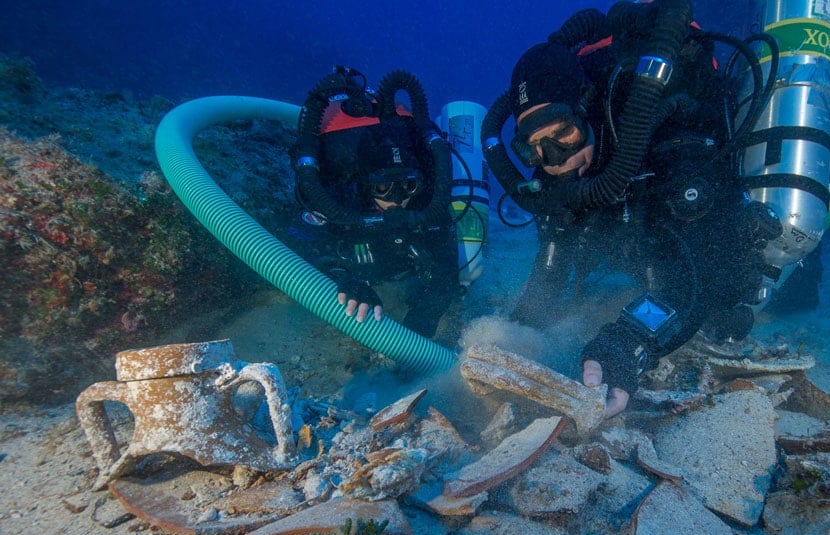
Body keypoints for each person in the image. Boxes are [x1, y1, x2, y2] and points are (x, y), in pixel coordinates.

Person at [482, 1, 782, 416]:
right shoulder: (560, 175)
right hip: (646, 252)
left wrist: (626, 343)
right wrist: (519, 333)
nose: (556, 159)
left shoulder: (667, 141)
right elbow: (552, 266)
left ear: (587, 107)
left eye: (563, 133)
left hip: (701, 242)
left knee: (733, 293)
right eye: (534, 148)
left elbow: (693, 280)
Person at [289, 66, 462, 340]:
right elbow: (297, 248)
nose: (398, 199)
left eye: (408, 186)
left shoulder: (428, 198)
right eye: (383, 187)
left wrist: (419, 326)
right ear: (364, 185)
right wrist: (342, 278)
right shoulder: (338, 196)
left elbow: (447, 273)